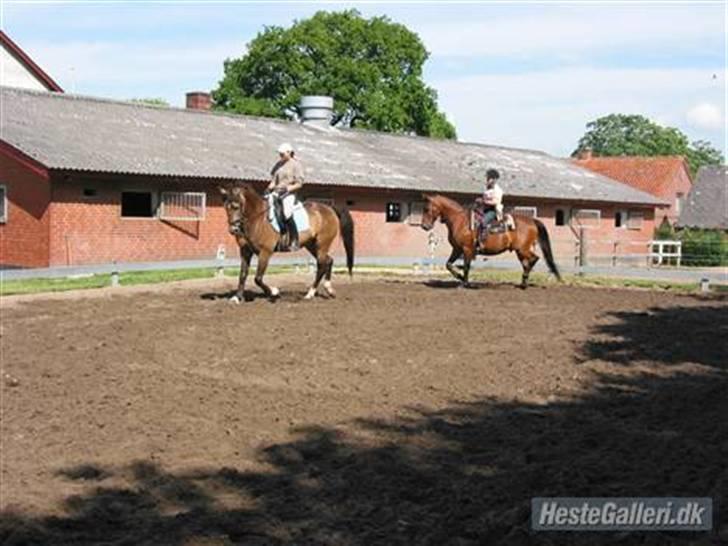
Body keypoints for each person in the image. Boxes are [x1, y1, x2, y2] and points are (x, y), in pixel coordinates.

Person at [268, 143, 304, 249]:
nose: (280, 156)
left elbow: (299, 183)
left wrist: (287, 189)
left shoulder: (296, 165)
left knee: (287, 213)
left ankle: (294, 239)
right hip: (277, 192)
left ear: (289, 152)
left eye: (282, 154)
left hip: (289, 193)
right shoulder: (278, 165)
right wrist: (268, 189)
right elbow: (274, 181)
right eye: (280, 154)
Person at [477, 168, 504, 241]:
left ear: (494, 179)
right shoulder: (487, 189)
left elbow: (495, 202)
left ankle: (482, 240)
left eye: (489, 178)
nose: (487, 180)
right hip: (484, 209)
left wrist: (483, 201)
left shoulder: (498, 190)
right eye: (487, 178)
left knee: (483, 221)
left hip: (493, 211)